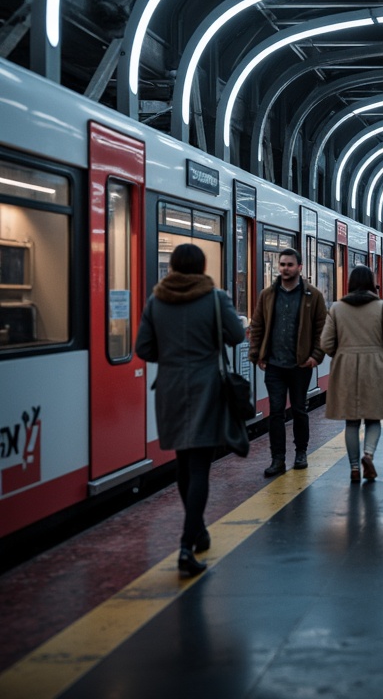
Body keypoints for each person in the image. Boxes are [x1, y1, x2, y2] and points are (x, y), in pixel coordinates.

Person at [135, 243, 246, 578]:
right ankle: (187, 543)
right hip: (207, 387)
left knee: (184, 464)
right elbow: (237, 334)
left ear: (172, 266)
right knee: (199, 467)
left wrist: (171, 360)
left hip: (170, 390)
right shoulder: (215, 298)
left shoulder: (156, 300)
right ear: (201, 266)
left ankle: (198, 533)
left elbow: (143, 348)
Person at [249, 248, 327, 477]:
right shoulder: (267, 295)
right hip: (274, 365)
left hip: (300, 365)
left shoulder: (313, 296)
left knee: (300, 410)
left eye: (289, 264)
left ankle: (301, 453)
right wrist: (257, 354)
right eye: (282, 264)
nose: (285, 268)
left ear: (299, 267)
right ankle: (278, 459)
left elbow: (322, 329)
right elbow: (258, 326)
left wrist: (316, 355)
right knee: (275, 413)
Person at [321, 264, 383, 483]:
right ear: (371, 283)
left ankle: (354, 467)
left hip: (345, 367)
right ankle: (369, 455)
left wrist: (344, 351)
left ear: (350, 283)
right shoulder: (382, 307)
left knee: (352, 422)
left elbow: (326, 344)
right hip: (374, 366)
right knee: (373, 419)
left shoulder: (337, 308)